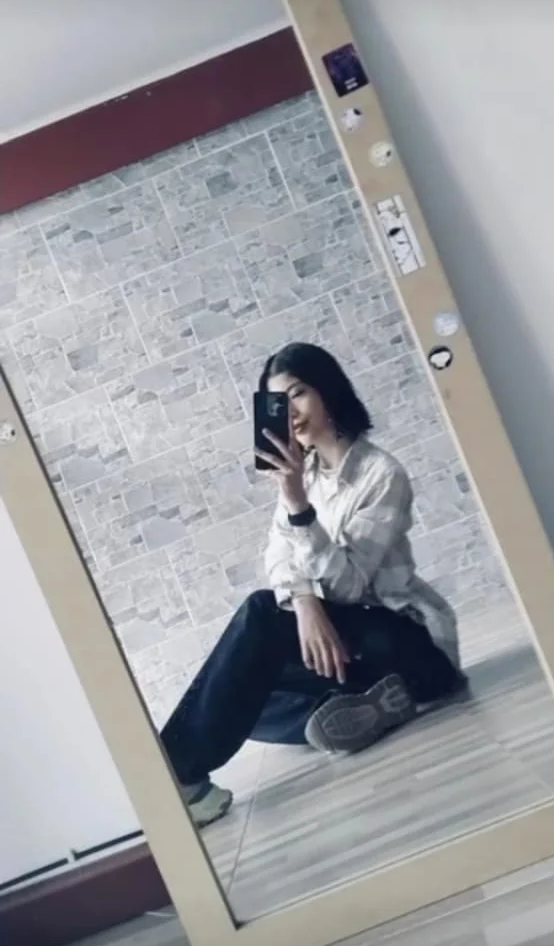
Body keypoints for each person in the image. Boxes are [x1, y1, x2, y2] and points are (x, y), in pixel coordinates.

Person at [160, 343, 468, 827]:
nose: (290, 412)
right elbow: (277, 559)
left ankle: (174, 776)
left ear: (328, 390)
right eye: (277, 403)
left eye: (298, 394)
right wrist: (304, 601)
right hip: (355, 659)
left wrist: (298, 508)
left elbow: (348, 588)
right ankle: (365, 709)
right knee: (242, 694)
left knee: (260, 615)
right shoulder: (302, 474)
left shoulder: (381, 474)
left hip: (408, 647)